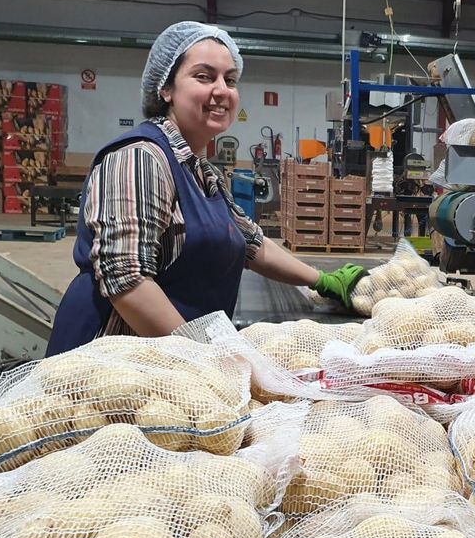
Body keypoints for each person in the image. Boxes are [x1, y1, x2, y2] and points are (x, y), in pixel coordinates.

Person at [47, 22, 363, 354]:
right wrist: (204, 359)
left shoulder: (200, 169)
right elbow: (128, 281)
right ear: (165, 89)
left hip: (175, 359)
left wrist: (321, 281)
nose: (221, 90)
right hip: (115, 362)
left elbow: (251, 242)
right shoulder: (141, 158)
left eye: (229, 79)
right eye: (203, 76)